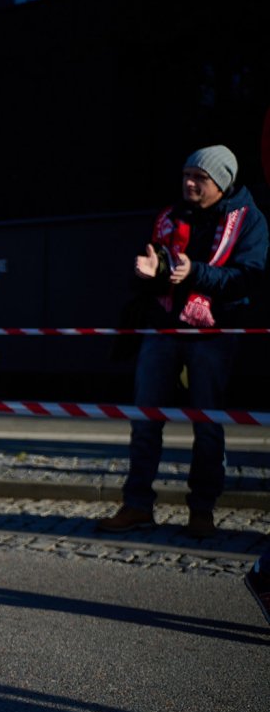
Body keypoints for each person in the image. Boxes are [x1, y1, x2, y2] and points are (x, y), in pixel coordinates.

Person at [97, 145, 267, 539]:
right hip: (163, 330)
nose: (190, 183)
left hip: (213, 333)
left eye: (200, 178)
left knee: (208, 423)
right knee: (144, 419)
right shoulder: (171, 217)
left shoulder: (249, 221)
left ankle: (202, 510)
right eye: (187, 175)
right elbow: (155, 273)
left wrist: (196, 273)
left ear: (222, 182)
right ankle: (137, 504)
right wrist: (149, 273)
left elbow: (247, 279)